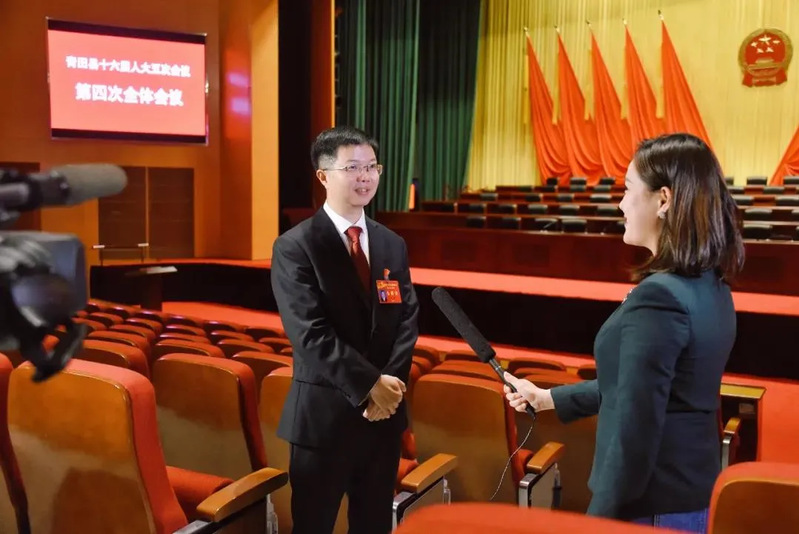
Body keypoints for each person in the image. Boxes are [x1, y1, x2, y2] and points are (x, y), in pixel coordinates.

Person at [504, 133, 744, 532]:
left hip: (649, 507)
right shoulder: (712, 284)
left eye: (629, 189)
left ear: (663, 200)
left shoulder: (660, 297)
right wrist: (548, 398)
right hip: (688, 495)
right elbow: (644, 388)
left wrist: (598, 523)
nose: (620, 203)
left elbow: (634, 437)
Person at [270, 125, 419, 534]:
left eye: (372, 167)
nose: (365, 177)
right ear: (323, 175)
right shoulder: (296, 246)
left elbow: (407, 318)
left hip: (383, 421)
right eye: (352, 167)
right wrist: (370, 385)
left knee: (373, 526)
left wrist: (389, 388)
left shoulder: (392, 243)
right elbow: (309, 333)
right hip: (324, 423)